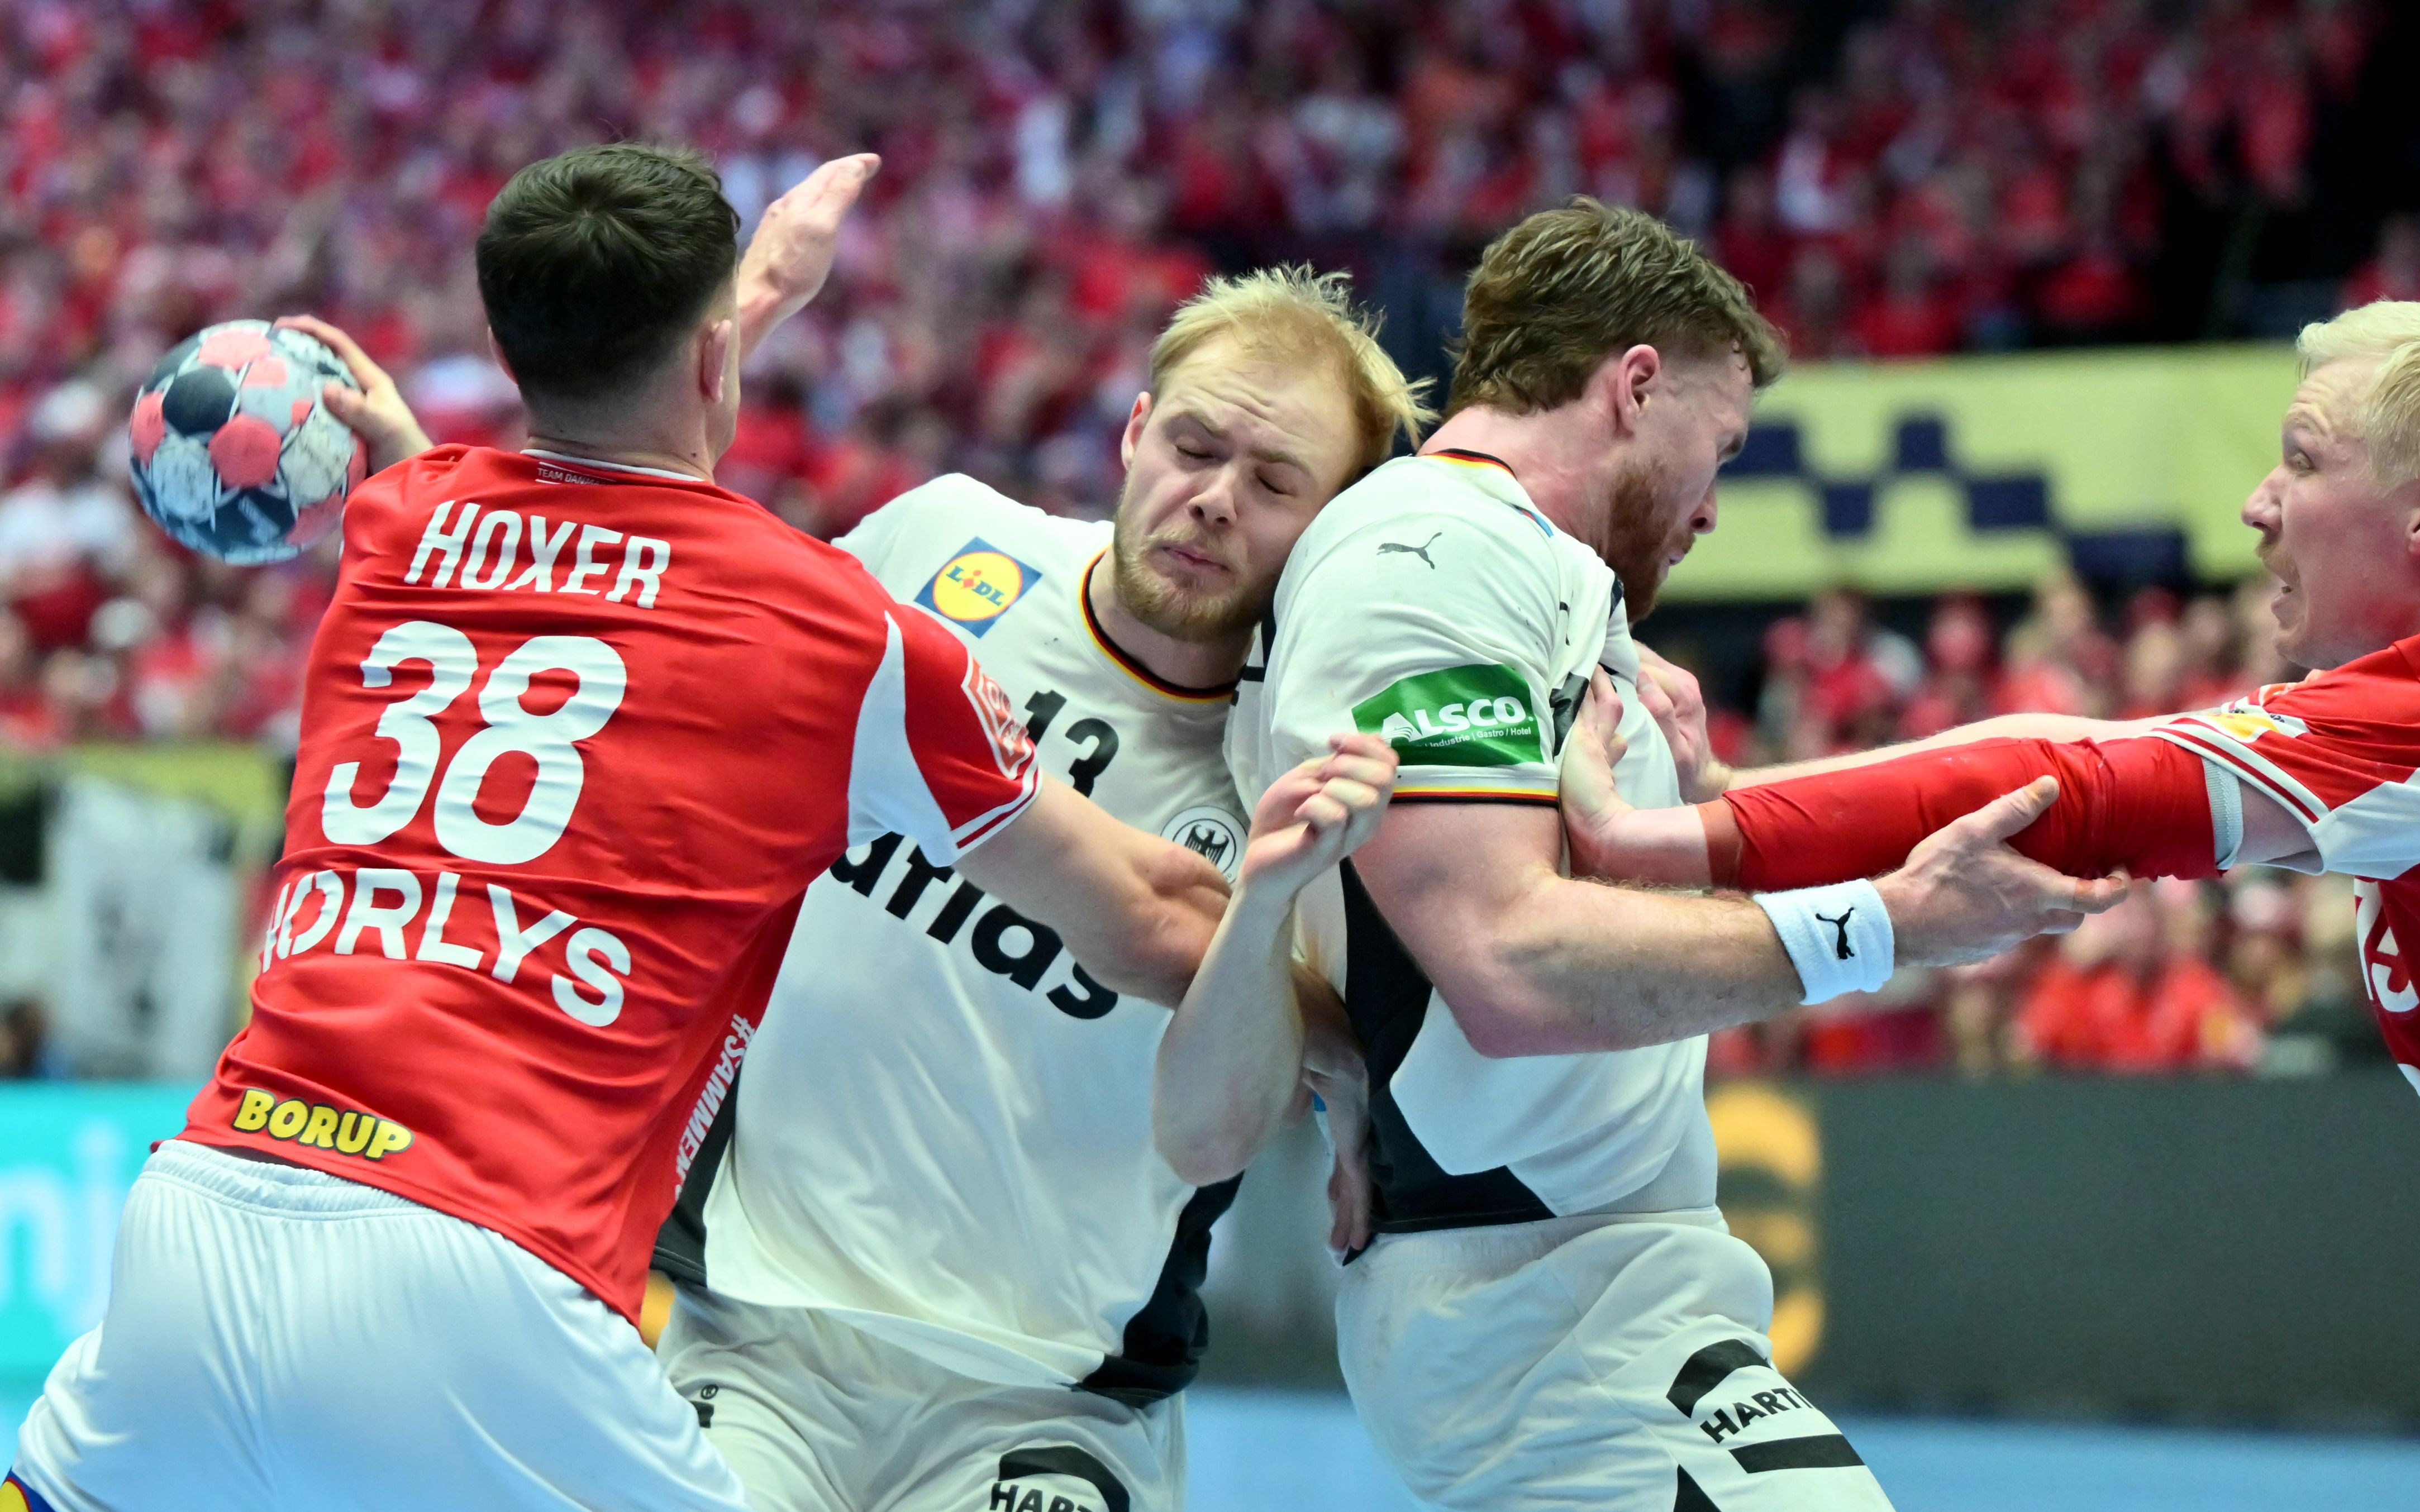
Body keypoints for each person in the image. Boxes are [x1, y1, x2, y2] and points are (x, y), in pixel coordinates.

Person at [2, 143, 1355, 1512]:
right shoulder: (840, 631)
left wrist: (749, 297)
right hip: (488, 1266)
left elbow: (585, 466)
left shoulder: (400, 518)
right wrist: (1351, 1048)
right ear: (716, 364)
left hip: (201, 1204)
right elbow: (1152, 921)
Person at [1180, 197, 2126, 1511]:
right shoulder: (1427, 558)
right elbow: (1506, 962)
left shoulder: (1528, 578)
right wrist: (1887, 925)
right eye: (1720, 447)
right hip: (1548, 1308)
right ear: (1634, 387)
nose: (1713, 507)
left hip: (1586, 1278)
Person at [1568, 301, 2420, 1305]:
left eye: (2301, 461)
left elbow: (2081, 789)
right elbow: (2082, 748)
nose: (2257, 504)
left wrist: (1662, 839)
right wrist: (1728, 797)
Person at [649, 266, 1427, 1512]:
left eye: (1275, 483)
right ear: (1132, 433)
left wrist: (1286, 944)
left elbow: (1230, 1126)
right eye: (1192, 444)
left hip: (1049, 1397)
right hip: (756, 1334)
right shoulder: (942, 540)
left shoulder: (1299, 772)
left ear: (1329, 523)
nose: (1213, 500)